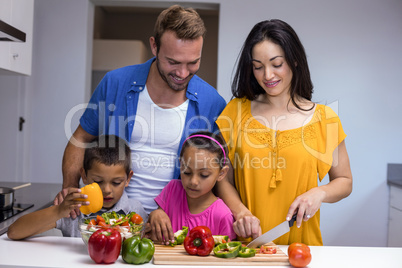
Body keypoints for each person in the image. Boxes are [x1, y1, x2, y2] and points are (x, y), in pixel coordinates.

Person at [55, 5, 227, 221]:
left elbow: (219, 173)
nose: (183, 73)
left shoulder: (213, 102)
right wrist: (69, 187)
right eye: (173, 62)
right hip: (110, 220)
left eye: (193, 62)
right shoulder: (115, 83)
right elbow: (80, 137)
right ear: (154, 46)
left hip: (174, 226)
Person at [216, 19, 353, 246]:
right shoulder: (235, 112)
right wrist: (240, 212)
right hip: (246, 246)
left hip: (302, 248)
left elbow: (345, 181)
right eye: (258, 66)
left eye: (276, 64)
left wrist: (319, 193)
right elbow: (222, 179)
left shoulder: (325, 119)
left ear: (295, 60)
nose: (267, 75)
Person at [8, 135, 147, 240]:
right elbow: (14, 232)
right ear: (84, 176)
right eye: (98, 181)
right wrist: (58, 211)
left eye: (116, 182)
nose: (107, 190)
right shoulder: (73, 208)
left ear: (128, 179)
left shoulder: (135, 210)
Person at [151, 131, 237, 244]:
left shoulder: (222, 216)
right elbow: (157, 224)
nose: (193, 181)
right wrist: (155, 214)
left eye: (204, 175)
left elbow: (227, 253)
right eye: (186, 172)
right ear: (180, 165)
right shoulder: (172, 189)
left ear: (221, 173)